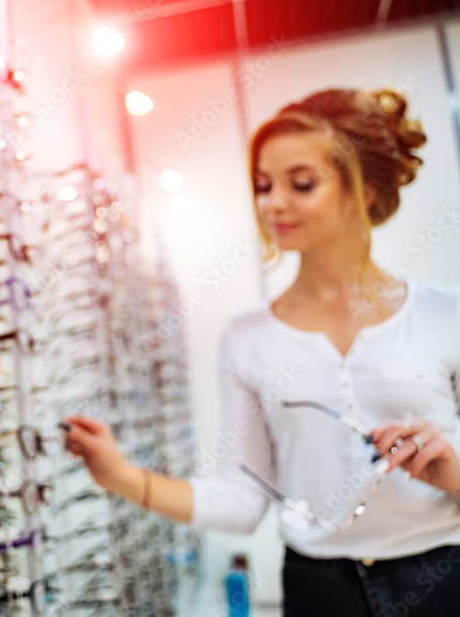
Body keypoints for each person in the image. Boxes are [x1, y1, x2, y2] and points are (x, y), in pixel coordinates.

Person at [62, 88, 460, 616]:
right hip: (318, 590)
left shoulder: (444, 313)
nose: (273, 203)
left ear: (361, 189)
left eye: (302, 184)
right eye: (262, 185)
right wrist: (121, 477)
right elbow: (243, 499)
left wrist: (450, 473)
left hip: (441, 577)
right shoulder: (249, 338)